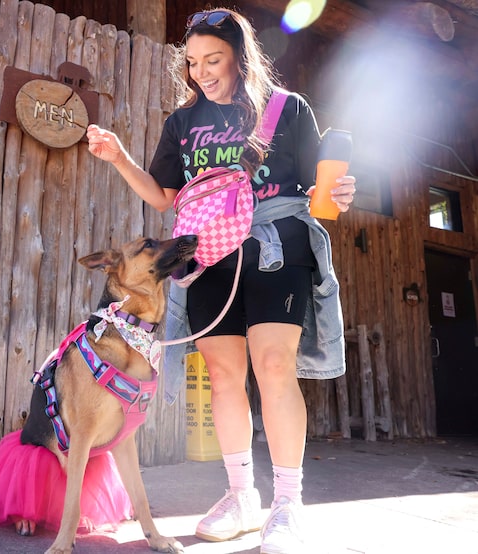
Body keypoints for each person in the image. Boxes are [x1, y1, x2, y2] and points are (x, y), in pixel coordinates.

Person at [86, 7, 356, 554]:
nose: (202, 71)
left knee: (275, 365)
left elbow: (319, 191)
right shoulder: (182, 123)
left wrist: (341, 196)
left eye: (213, 59)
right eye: (191, 63)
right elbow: (165, 196)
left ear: (240, 54)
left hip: (276, 243)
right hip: (206, 251)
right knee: (225, 374)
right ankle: (241, 496)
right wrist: (118, 157)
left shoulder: (286, 108)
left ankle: (287, 503)